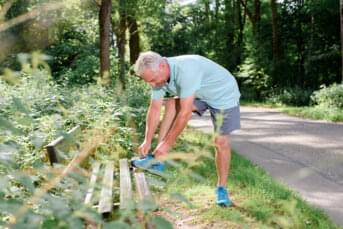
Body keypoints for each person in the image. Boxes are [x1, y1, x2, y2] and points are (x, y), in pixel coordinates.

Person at [131, 51, 241, 207]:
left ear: (162, 66)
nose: (153, 84)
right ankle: (157, 159)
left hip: (223, 95)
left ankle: (221, 189)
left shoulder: (186, 70)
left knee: (220, 142)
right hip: (200, 93)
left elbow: (185, 113)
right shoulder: (157, 77)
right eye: (149, 81)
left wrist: (168, 143)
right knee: (170, 105)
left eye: (154, 80)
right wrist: (147, 140)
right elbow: (154, 109)